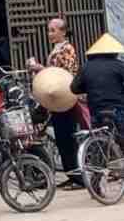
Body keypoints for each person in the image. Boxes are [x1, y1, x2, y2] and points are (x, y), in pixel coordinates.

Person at [28, 17, 85, 188]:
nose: (50, 34)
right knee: (61, 138)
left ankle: (77, 177)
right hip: (56, 99)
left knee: (66, 138)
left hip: (65, 98)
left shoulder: (67, 49)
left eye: (53, 30)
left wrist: (40, 68)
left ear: (63, 31)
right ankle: (71, 175)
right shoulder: (57, 49)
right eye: (49, 30)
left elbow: (63, 75)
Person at [72, 34, 124, 133]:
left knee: (100, 137)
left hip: (96, 109)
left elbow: (74, 88)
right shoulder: (119, 66)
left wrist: (89, 87)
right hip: (117, 108)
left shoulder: (86, 67)